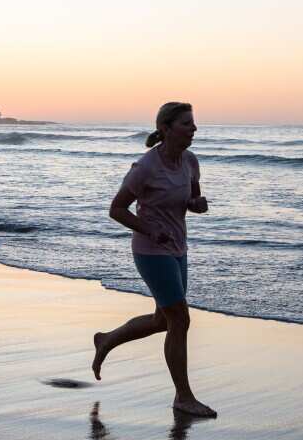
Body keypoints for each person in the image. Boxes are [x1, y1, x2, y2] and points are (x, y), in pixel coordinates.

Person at [91, 101, 216, 418]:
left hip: (178, 249)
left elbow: (190, 202)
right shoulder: (146, 167)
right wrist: (150, 229)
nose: (194, 129)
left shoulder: (190, 162)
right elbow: (116, 209)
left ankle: (107, 339)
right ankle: (183, 397)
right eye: (187, 124)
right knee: (180, 320)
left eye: (193, 123)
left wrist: (198, 204)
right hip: (150, 251)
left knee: (163, 320)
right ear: (166, 129)